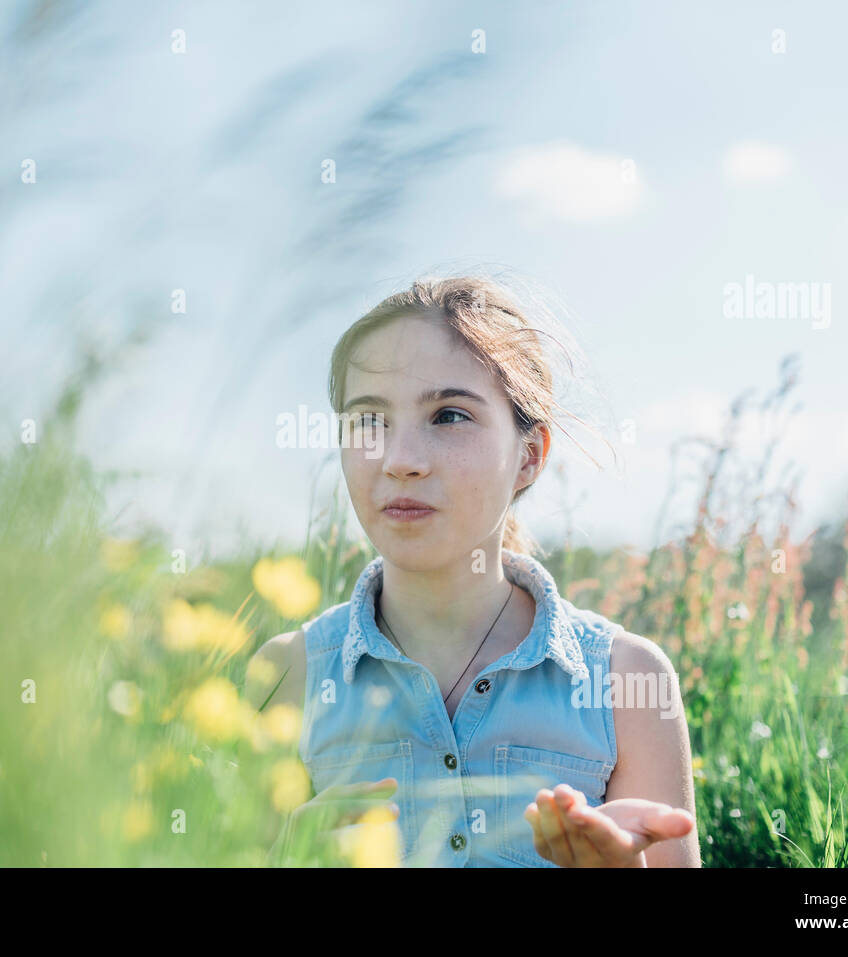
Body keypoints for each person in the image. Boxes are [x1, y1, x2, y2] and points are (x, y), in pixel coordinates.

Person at [244, 275, 699, 867]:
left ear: (530, 455)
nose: (400, 460)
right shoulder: (287, 674)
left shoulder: (629, 681)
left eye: (450, 415)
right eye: (368, 420)